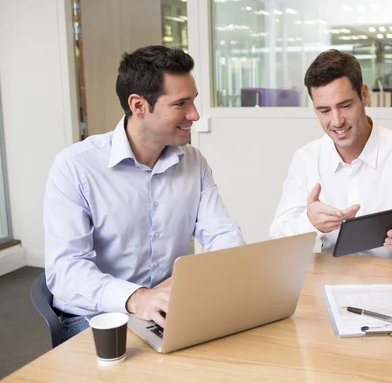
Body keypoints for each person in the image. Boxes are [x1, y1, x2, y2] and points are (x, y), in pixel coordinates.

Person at [44, 46, 245, 340]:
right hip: (96, 316)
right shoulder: (75, 167)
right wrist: (137, 298)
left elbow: (223, 234)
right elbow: (65, 272)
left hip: (164, 309)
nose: (195, 114)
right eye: (181, 104)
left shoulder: (193, 162)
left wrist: (219, 278)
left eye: (194, 101)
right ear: (139, 106)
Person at [269, 50, 392, 268]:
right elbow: (278, 239)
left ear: (364, 95)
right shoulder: (306, 159)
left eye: (345, 106)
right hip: (330, 281)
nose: (336, 121)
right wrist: (310, 222)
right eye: (324, 110)